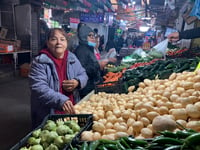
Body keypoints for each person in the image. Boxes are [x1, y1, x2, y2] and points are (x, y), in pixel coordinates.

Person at [29, 28, 88, 129]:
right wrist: (60, 100)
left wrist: (77, 82)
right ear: (47, 43)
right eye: (54, 39)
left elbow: (83, 74)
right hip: (49, 114)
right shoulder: (39, 62)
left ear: (66, 42)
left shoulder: (72, 58)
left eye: (62, 39)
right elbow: (38, 88)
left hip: (71, 111)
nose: (58, 43)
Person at [74, 25, 109, 98]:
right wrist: (98, 65)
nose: (93, 38)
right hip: (86, 88)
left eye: (93, 35)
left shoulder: (89, 49)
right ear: (83, 37)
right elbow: (82, 70)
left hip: (92, 85)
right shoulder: (81, 51)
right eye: (90, 35)